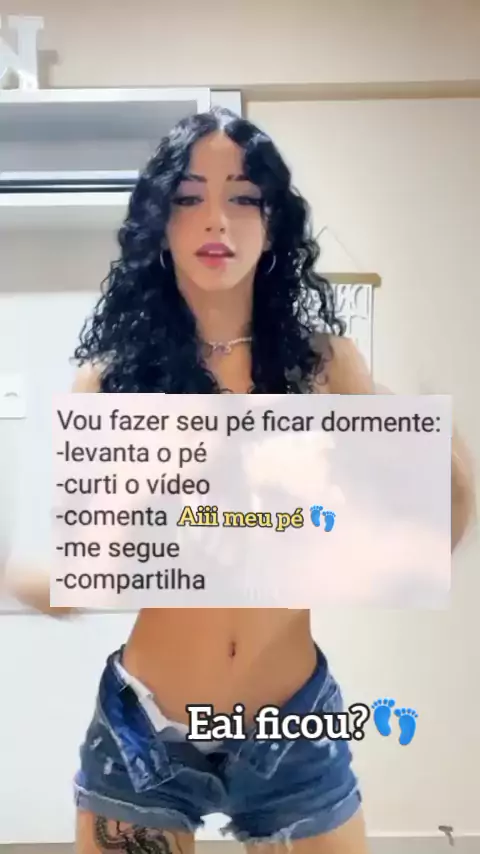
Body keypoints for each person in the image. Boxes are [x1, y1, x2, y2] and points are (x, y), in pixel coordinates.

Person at [7, 108, 476, 854]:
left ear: (272, 220)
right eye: (189, 197)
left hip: (296, 728)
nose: (216, 219)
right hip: (147, 733)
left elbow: (431, 529)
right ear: (160, 224)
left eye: (243, 196)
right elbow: (90, 576)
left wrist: (434, 455)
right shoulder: (111, 384)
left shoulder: (323, 368)